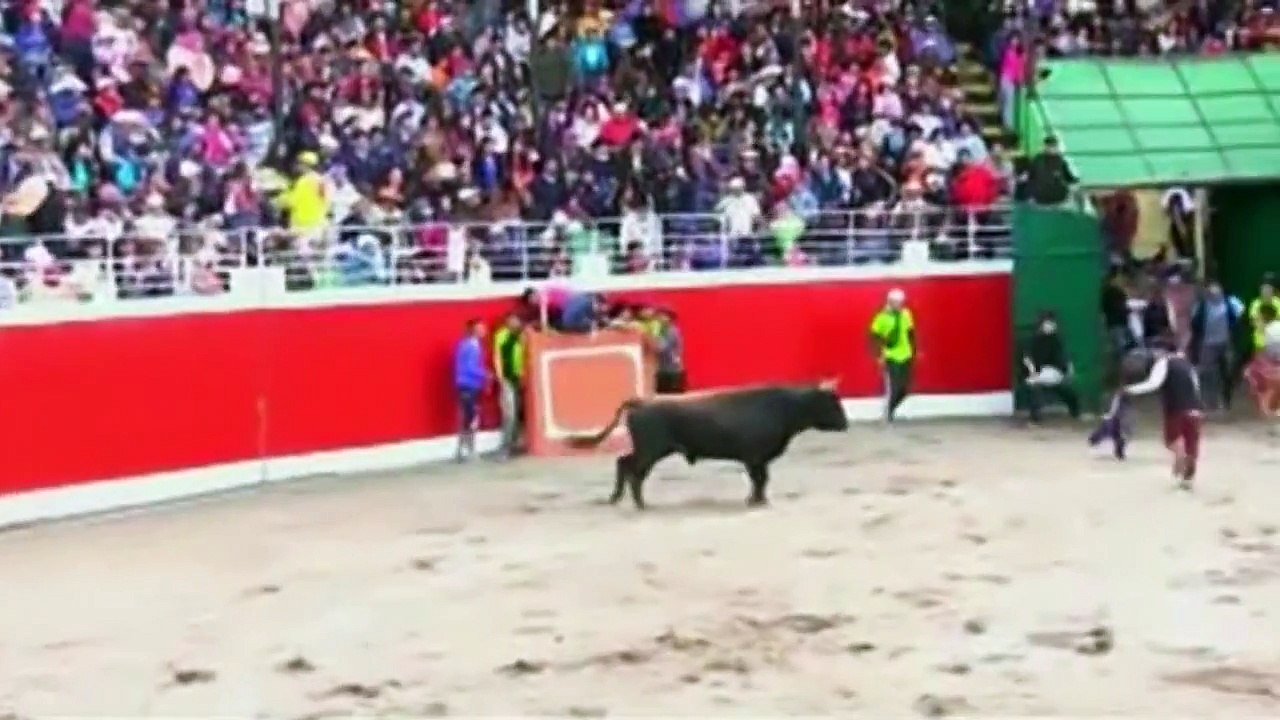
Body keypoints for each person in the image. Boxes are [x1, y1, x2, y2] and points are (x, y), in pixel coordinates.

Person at [1121, 348, 1204, 490]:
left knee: (1171, 441)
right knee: (1192, 445)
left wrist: (1130, 390)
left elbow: (1154, 383)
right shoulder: (1188, 365)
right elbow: (1196, 386)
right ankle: (1187, 478)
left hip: (1176, 409)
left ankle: (1180, 456)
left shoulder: (1164, 362)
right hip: (1195, 410)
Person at [1188, 279, 1245, 412]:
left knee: (1228, 373)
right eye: (1210, 289)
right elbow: (1194, 323)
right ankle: (1207, 401)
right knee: (1206, 373)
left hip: (1226, 342)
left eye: (1216, 288)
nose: (1213, 291)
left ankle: (1226, 401)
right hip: (1207, 344)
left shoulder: (1231, 302)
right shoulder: (1201, 305)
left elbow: (1241, 317)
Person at [1021, 310, 1080, 423]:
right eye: (1048, 323)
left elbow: (1063, 357)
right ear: (1042, 325)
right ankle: (1035, 419)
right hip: (1036, 373)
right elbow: (1027, 358)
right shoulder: (1034, 340)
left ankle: (1075, 412)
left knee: (1066, 391)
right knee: (1034, 388)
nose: (1051, 326)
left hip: (1054, 373)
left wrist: (1068, 370)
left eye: (1052, 323)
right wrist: (1033, 371)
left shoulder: (1056, 340)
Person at [868, 288, 916, 422]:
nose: (900, 304)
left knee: (905, 388)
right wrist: (878, 355)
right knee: (895, 386)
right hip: (891, 355)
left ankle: (891, 409)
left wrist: (915, 351)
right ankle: (888, 413)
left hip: (906, 354)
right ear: (890, 301)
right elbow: (874, 336)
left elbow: (910, 332)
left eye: (901, 302)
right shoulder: (882, 317)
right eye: (897, 302)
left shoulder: (906, 314)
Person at [453, 318, 489, 463]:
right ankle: (469, 450)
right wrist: (485, 374)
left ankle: (463, 449)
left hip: (467, 385)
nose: (483, 330)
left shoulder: (467, 345)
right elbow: (469, 368)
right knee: (471, 418)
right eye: (481, 328)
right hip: (469, 385)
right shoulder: (470, 346)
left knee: (468, 418)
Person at [492, 312, 525, 459]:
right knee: (510, 415)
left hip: (519, 378)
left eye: (516, 320)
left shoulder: (522, 335)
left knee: (518, 413)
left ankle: (513, 444)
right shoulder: (502, 335)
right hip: (507, 379)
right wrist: (500, 378)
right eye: (512, 321)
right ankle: (504, 448)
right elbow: (498, 356)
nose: (515, 323)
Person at [1243, 303, 1280, 418]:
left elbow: (1272, 353)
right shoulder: (1272, 327)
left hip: (1275, 363)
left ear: (1264, 317)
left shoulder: (1270, 330)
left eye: (1259, 317)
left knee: (1252, 374)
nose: (1257, 319)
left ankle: (1269, 408)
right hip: (1274, 361)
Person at [652, 308, 686, 395]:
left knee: (671, 396)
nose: (659, 318)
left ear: (669, 318)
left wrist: (653, 339)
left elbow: (662, 348)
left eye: (662, 316)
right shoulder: (662, 331)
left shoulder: (671, 331)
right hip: (665, 369)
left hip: (671, 370)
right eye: (659, 316)